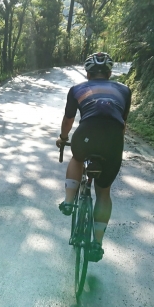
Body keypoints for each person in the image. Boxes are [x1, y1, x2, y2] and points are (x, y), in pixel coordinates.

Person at [56, 52, 131, 262]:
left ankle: (69, 202)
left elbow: (68, 120)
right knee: (104, 192)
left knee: (77, 158)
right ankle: (97, 244)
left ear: (87, 74)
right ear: (109, 73)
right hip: (113, 140)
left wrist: (63, 138)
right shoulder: (124, 90)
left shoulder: (77, 89)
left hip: (86, 134)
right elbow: (122, 123)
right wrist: (112, 147)